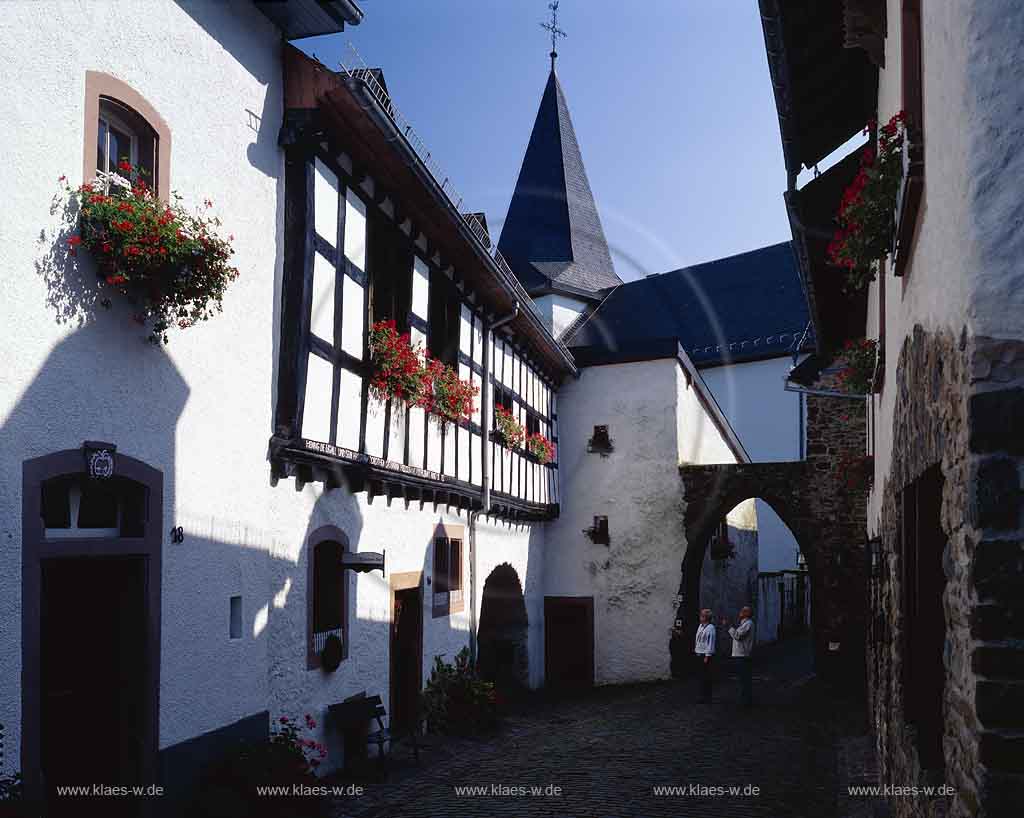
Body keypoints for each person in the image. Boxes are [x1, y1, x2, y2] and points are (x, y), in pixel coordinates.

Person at [721, 606, 754, 707]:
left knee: (743, 679)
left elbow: (738, 636)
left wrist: (729, 627)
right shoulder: (743, 623)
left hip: (742, 655)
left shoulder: (748, 624)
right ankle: (744, 699)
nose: (740, 612)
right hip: (740, 654)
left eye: (743, 611)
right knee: (742, 678)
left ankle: (745, 700)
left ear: (747, 613)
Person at [694, 608, 716, 703]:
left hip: (706, 655)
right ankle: (701, 695)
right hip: (699, 653)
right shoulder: (700, 626)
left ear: (706, 617)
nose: (700, 617)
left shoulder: (710, 628)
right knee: (700, 676)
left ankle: (707, 697)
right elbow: (698, 638)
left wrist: (707, 655)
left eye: (702, 615)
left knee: (706, 676)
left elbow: (711, 642)